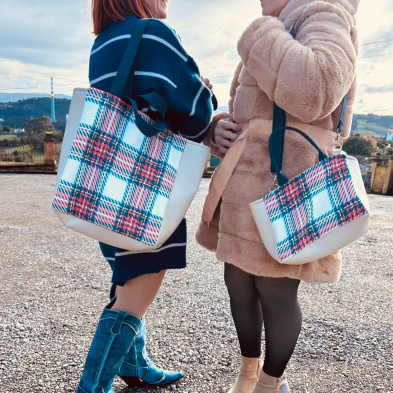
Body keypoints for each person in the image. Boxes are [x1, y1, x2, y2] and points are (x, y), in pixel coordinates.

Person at [197, 0, 359, 392]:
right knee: (238, 282)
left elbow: (316, 92)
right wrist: (219, 128)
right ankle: (247, 375)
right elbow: (250, 112)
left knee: (275, 290)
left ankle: (271, 384)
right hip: (244, 186)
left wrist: (259, 33)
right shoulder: (281, 21)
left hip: (289, 183)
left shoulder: (325, 11)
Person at [76, 1, 216, 392]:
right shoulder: (153, 33)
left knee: (127, 276)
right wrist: (206, 91)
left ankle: (135, 364)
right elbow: (195, 113)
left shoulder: (104, 41)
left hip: (111, 186)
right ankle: (92, 387)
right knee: (137, 286)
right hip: (146, 191)